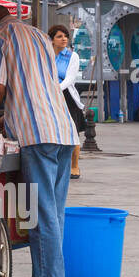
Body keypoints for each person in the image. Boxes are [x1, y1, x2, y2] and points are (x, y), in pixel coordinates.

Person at [0, 2, 77, 277]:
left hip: (37, 135)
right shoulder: (36, 35)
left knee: (42, 217)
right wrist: (10, 116)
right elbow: (37, 84)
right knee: (54, 216)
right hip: (62, 129)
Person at [48, 25, 86, 179]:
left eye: (65, 36)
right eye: (59, 36)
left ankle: (74, 166)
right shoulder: (46, 55)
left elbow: (70, 79)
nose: (63, 39)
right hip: (48, 96)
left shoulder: (72, 56)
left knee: (73, 132)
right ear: (52, 40)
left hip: (66, 96)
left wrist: (55, 89)